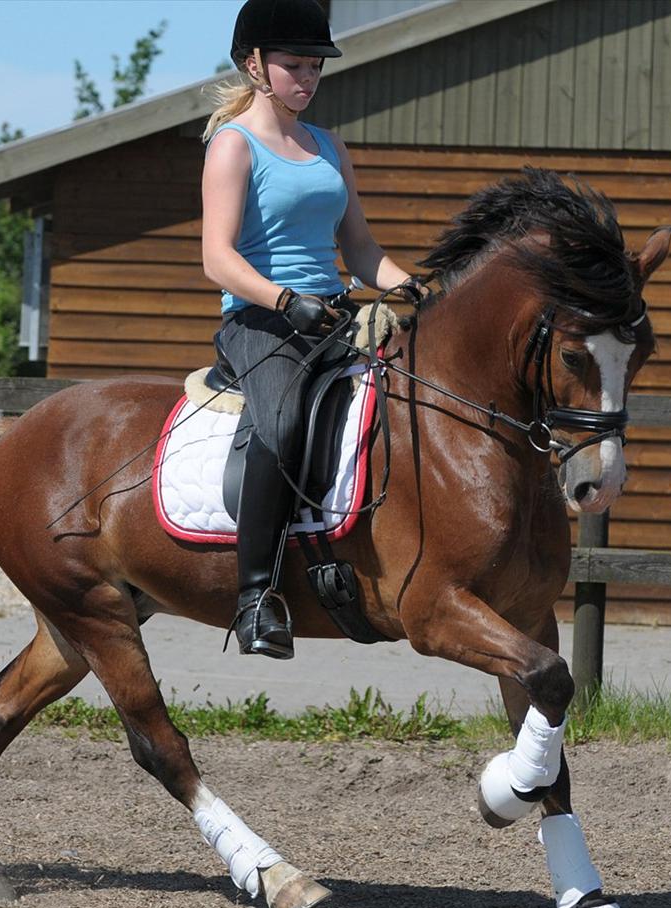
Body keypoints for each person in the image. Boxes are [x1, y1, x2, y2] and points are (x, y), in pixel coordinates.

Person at [201, 0, 423, 659]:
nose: (307, 77)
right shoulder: (233, 145)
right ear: (256, 66)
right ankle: (256, 598)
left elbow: (359, 250)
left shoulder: (329, 147)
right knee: (285, 420)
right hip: (261, 322)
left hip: (330, 315)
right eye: (293, 65)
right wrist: (282, 298)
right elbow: (217, 255)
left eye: (314, 67)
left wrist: (413, 286)